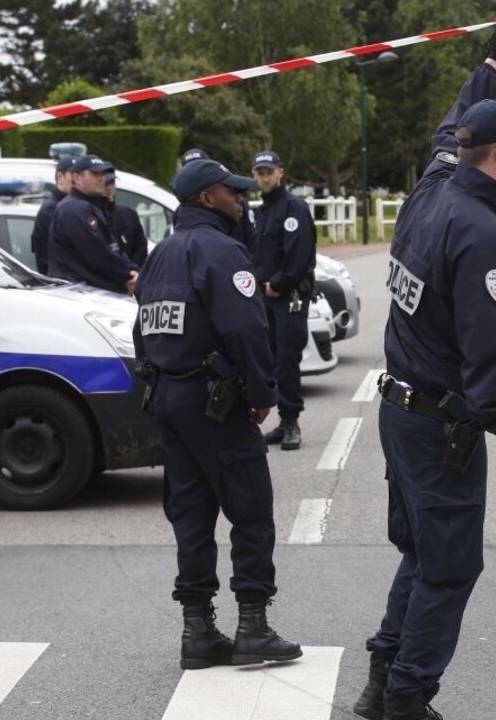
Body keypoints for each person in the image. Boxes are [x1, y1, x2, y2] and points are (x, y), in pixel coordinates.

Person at [353, 10, 496, 720]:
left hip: (400, 417)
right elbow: (489, 361)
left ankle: (382, 681)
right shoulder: (483, 237)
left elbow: (453, 118)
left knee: (423, 555)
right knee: (452, 566)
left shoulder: (433, 186)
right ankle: (406, 698)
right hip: (442, 429)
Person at [135, 158, 302, 671]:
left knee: (191, 515)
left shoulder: (161, 253)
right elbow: (247, 330)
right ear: (207, 198)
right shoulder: (222, 251)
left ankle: (198, 631)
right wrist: (261, 393)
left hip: (171, 400)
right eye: (231, 192)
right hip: (217, 403)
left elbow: (143, 329)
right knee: (250, 512)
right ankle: (252, 627)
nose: (241, 198)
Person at [251, 149, 316, 451]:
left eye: (269, 172)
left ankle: (292, 421)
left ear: (281, 173)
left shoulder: (294, 208)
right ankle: (281, 417)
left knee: (288, 359)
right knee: (272, 360)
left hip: (288, 296)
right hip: (265, 298)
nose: (264, 177)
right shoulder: (262, 212)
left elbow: (299, 255)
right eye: (259, 173)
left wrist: (278, 283)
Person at [48, 155, 139, 295]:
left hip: (91, 292)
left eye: (102, 173)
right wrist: (128, 274)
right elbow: (97, 254)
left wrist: (130, 269)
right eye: (95, 173)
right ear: (77, 178)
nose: (101, 178)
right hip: (78, 294)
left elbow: (113, 247)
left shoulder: (92, 206)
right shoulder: (74, 209)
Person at [174, 148, 256, 254]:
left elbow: (251, 241)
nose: (238, 197)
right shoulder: (179, 215)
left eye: (202, 166)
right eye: (191, 168)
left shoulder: (238, 205)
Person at [31, 154, 75, 274]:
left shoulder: (68, 206)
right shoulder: (52, 210)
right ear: (60, 177)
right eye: (74, 175)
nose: (78, 180)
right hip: (60, 284)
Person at [105, 169, 149, 267]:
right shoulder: (90, 215)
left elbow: (141, 247)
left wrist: (133, 272)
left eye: (112, 183)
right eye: (105, 184)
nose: (109, 188)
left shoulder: (128, 214)